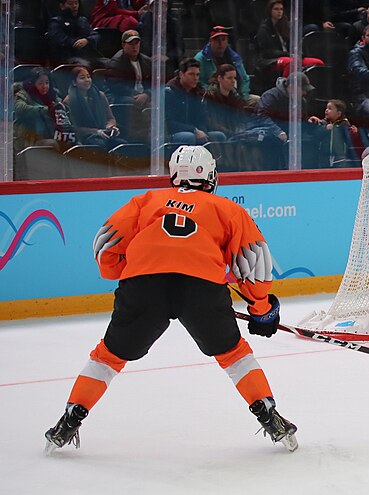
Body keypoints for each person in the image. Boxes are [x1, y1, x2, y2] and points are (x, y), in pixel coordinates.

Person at [43, 145, 298, 455]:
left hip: (143, 286)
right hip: (202, 288)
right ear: (210, 176)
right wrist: (262, 310)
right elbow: (253, 264)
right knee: (233, 355)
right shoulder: (227, 209)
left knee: (108, 357)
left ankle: (68, 421)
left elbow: (105, 244)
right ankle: (270, 417)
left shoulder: (146, 201)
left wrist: (131, 270)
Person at [255, 0, 325, 80]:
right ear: (270, 11)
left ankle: (312, 89)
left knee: (318, 63)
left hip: (290, 56)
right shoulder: (264, 29)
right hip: (271, 60)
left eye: (281, 9)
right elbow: (269, 52)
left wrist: (299, 54)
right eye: (276, 9)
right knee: (291, 63)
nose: (279, 12)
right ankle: (285, 88)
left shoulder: (286, 26)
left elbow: (296, 44)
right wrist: (289, 55)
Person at [63, 66, 128, 150]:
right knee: (98, 145)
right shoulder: (68, 101)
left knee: (122, 145)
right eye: (82, 78)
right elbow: (73, 128)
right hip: (84, 137)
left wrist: (110, 128)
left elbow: (110, 118)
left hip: (104, 134)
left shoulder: (101, 96)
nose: (87, 80)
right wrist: (96, 132)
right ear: (74, 82)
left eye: (88, 77)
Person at [164, 58, 226, 145]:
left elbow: (202, 119)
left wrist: (202, 131)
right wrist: (194, 130)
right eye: (191, 74)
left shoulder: (198, 93)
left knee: (219, 136)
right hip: (174, 133)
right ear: (181, 74)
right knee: (189, 137)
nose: (195, 78)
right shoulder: (169, 92)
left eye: (197, 75)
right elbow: (170, 123)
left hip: (195, 131)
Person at [13, 68, 74, 153]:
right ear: (33, 83)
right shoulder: (23, 94)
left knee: (72, 144)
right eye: (40, 83)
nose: (44, 86)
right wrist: (45, 109)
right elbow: (20, 109)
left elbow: (60, 106)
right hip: (29, 137)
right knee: (52, 144)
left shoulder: (52, 94)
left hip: (52, 134)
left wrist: (62, 107)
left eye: (47, 83)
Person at [194, 26, 258, 105]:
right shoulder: (200, 59)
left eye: (223, 40)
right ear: (210, 41)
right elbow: (198, 82)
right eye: (217, 40)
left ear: (227, 41)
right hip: (212, 97)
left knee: (257, 100)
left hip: (235, 95)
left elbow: (245, 79)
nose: (220, 43)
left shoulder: (235, 57)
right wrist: (213, 94)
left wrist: (243, 97)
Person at [306, 99, 360, 167]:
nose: (326, 110)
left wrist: (354, 133)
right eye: (326, 108)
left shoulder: (344, 124)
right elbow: (315, 135)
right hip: (324, 156)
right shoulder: (323, 123)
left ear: (338, 113)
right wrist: (325, 128)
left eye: (330, 108)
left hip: (340, 157)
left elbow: (348, 140)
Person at [47, 0, 101, 67]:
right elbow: (59, 38)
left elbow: (95, 35)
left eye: (76, 3)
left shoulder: (83, 20)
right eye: (70, 4)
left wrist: (87, 40)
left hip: (87, 55)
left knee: (108, 64)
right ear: (62, 6)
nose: (74, 6)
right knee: (85, 65)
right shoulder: (56, 22)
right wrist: (76, 42)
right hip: (67, 57)